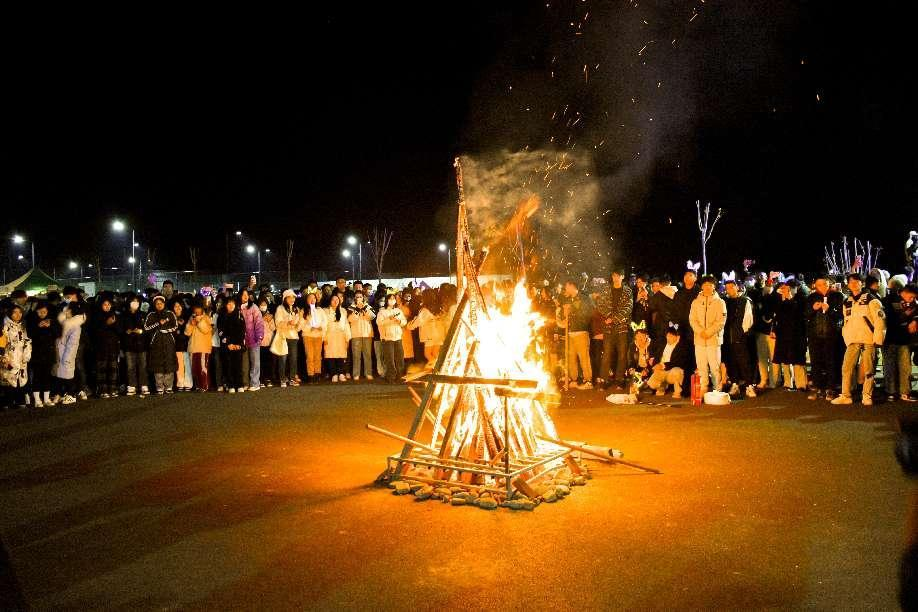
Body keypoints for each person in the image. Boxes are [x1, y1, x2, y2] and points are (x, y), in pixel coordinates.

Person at [832, 273, 887, 406]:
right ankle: (846, 395)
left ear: (862, 283)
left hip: (868, 340)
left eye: (856, 282)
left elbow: (880, 320)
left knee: (868, 370)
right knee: (846, 368)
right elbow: (846, 322)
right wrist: (847, 337)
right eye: (850, 282)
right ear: (848, 284)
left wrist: (878, 339)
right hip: (853, 340)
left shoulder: (871, 299)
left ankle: (866, 395)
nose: (853, 284)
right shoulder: (847, 301)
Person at [805, 275, 844, 400]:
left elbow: (841, 316)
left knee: (831, 361)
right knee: (816, 362)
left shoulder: (838, 296)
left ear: (829, 284)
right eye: (819, 284)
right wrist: (812, 309)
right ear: (815, 286)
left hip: (831, 334)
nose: (822, 287)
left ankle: (831, 388)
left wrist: (829, 310)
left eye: (824, 284)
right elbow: (805, 314)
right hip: (815, 335)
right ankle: (818, 387)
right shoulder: (811, 297)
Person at [689, 275, 727, 395]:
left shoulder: (720, 302)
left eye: (710, 285)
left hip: (713, 340)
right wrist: (700, 331)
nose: (707, 287)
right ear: (701, 286)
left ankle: (717, 388)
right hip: (699, 339)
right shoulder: (695, 302)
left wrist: (709, 332)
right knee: (701, 366)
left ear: (714, 286)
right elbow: (692, 319)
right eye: (705, 285)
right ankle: (703, 387)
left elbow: (721, 321)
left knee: (715, 366)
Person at [597, 269, 633, 390]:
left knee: (622, 354)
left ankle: (619, 379)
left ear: (622, 277)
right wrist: (608, 316)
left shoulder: (627, 290)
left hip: (622, 327)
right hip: (608, 327)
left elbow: (628, 307)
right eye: (614, 275)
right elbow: (600, 304)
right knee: (607, 353)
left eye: (618, 275)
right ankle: (604, 379)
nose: (615, 278)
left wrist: (614, 319)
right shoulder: (606, 289)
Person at [556, 280, 594, 390]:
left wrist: (571, 310)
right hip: (570, 332)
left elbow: (587, 313)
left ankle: (588, 381)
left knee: (584, 358)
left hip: (581, 332)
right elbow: (565, 316)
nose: (565, 289)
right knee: (571, 358)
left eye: (566, 286)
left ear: (572, 286)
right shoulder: (569, 299)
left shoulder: (584, 298)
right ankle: (574, 379)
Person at [771, 281, 809, 392]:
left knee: (798, 359)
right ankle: (788, 383)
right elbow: (777, 315)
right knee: (784, 358)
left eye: (788, 289)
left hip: (797, 334)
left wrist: (791, 300)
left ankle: (801, 384)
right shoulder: (781, 300)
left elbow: (798, 315)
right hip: (783, 333)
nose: (785, 291)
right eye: (784, 289)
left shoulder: (802, 299)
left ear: (795, 288)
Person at [723, 279, 757, 398]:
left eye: (732, 287)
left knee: (745, 362)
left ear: (737, 287)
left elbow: (748, 320)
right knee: (731, 362)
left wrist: (742, 333)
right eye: (727, 288)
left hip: (742, 337)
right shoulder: (725, 301)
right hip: (727, 338)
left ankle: (749, 386)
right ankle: (735, 384)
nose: (729, 290)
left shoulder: (745, 301)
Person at [885, 283, 918, 401]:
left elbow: (916, 314)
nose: (913, 299)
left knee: (905, 367)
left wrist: (915, 320)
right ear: (905, 292)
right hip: (890, 338)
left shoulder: (914, 304)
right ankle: (891, 392)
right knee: (890, 366)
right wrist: (905, 315)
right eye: (911, 297)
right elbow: (888, 319)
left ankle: (905, 392)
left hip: (905, 339)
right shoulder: (890, 300)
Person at [52, 301, 86, 406]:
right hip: (61, 353)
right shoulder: (66, 322)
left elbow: (73, 344)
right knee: (62, 374)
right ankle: (63, 393)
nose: (65, 311)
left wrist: (68, 356)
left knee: (68, 375)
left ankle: (71, 395)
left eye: (67, 309)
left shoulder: (75, 326)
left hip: (67, 354)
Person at [26, 302, 59, 407]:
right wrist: (37, 326)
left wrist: (50, 326)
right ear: (36, 312)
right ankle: (37, 399)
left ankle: (46, 398)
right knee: (37, 376)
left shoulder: (52, 321)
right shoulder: (31, 322)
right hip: (36, 353)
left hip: (49, 352)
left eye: (44, 311)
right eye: (40, 311)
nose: (42, 313)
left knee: (47, 376)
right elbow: (29, 335)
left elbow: (58, 334)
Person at [144, 295, 178, 395]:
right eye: (157, 303)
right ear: (154, 305)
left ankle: (169, 386)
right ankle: (159, 387)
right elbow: (146, 328)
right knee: (157, 365)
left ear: (164, 303)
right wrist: (158, 323)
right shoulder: (151, 315)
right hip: (156, 343)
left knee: (169, 365)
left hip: (168, 343)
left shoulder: (170, 313)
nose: (159, 305)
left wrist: (165, 330)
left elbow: (175, 326)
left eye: (161, 303)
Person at [647, 325, 692, 398]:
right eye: (667, 336)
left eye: (671, 336)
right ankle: (661, 387)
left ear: (677, 337)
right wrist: (655, 365)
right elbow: (657, 358)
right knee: (652, 382)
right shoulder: (662, 345)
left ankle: (678, 391)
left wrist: (664, 365)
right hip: (661, 371)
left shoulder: (682, 347)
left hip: (672, 371)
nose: (668, 338)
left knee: (677, 372)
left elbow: (680, 362)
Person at [1, 305, 32, 409]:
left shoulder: (22, 326)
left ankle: (19, 400)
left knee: (21, 378)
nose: (18, 315)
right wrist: (3, 357)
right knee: (8, 378)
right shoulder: (4, 326)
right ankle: (7, 401)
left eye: (20, 312)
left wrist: (27, 354)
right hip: (9, 357)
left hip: (21, 358)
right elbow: (2, 343)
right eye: (15, 312)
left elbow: (27, 340)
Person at [407, 288, 445, 369]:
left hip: (430, 336)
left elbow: (417, 322)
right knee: (435, 354)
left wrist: (409, 325)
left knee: (427, 354)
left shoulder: (425, 310)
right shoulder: (439, 309)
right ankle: (439, 368)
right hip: (440, 334)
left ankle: (437, 369)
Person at [92, 298, 122, 398]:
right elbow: (95, 332)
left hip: (113, 346)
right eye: (105, 304)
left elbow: (119, 331)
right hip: (101, 347)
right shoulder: (96, 316)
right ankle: (102, 390)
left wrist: (113, 324)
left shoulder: (115, 316)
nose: (107, 306)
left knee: (113, 368)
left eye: (109, 304)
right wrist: (106, 324)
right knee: (102, 369)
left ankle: (113, 389)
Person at [275, 289, 304, 387]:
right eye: (289, 297)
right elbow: (278, 322)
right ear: (285, 298)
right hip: (283, 336)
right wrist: (288, 323)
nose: (292, 299)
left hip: (293, 336)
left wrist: (297, 325)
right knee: (283, 358)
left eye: (293, 297)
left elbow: (300, 323)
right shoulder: (280, 308)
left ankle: (292, 378)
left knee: (293, 358)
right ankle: (282, 379)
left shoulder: (296, 309)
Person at [122, 295, 149, 396]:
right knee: (130, 367)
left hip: (141, 344)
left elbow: (147, 328)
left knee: (143, 366)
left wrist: (141, 331)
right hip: (129, 345)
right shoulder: (124, 315)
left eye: (137, 301)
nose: (135, 303)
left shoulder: (143, 315)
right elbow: (121, 328)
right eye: (133, 301)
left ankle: (144, 384)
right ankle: (132, 385)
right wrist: (126, 332)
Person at [377, 292, 407, 383]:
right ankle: (391, 377)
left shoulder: (398, 311)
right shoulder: (382, 311)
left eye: (394, 299)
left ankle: (400, 376)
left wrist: (399, 321)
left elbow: (404, 322)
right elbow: (379, 322)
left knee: (400, 358)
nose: (392, 300)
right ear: (386, 300)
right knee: (389, 359)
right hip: (387, 338)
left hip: (397, 337)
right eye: (390, 299)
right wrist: (389, 319)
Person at [218, 297, 246, 393]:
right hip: (227, 345)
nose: (231, 306)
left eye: (233, 304)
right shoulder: (222, 316)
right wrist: (229, 343)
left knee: (238, 365)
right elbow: (221, 332)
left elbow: (242, 331)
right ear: (225, 305)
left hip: (238, 345)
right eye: (229, 304)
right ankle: (231, 385)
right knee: (228, 365)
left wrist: (238, 344)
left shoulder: (239, 315)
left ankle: (239, 384)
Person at [239, 288, 265, 391]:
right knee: (244, 363)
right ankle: (245, 382)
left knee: (255, 362)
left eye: (247, 295)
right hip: (242, 339)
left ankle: (255, 383)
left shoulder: (254, 307)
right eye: (243, 294)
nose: (245, 297)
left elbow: (259, 323)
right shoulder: (238, 308)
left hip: (253, 338)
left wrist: (259, 336)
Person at [185, 300, 212, 392]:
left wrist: (199, 322)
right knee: (195, 369)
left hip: (203, 348)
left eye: (198, 310)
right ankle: (198, 385)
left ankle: (204, 385)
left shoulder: (206, 318)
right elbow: (187, 333)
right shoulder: (191, 318)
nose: (196, 312)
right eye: (195, 310)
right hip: (193, 347)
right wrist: (191, 324)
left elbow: (206, 330)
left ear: (201, 309)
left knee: (202, 368)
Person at [347, 292, 375, 380]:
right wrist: (357, 310)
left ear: (363, 297)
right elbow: (350, 319)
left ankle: (368, 373)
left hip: (367, 334)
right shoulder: (351, 307)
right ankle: (356, 374)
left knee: (367, 355)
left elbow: (372, 316)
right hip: (355, 334)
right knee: (356, 355)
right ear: (354, 298)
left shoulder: (368, 306)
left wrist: (364, 308)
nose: (359, 298)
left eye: (360, 296)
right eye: (357, 297)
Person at [324, 294, 351, 382]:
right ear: (330, 301)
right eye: (333, 300)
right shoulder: (325, 311)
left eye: (337, 300)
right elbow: (324, 325)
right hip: (330, 335)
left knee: (341, 355)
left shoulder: (343, 311)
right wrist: (324, 337)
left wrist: (347, 337)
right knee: (330, 355)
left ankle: (341, 373)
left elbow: (346, 324)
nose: (335, 301)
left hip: (341, 335)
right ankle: (334, 373)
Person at [301, 290, 326, 384]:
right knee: (310, 356)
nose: (312, 300)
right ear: (306, 300)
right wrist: (308, 328)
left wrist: (321, 327)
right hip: (308, 335)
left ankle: (317, 373)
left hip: (318, 335)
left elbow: (324, 321)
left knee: (318, 356)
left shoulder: (320, 310)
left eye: (314, 298)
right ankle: (310, 374)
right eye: (310, 298)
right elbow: (301, 323)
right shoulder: (304, 311)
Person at [170, 300, 192, 392]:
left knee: (187, 364)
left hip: (186, 344)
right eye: (175, 306)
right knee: (179, 365)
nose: (178, 308)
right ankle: (180, 382)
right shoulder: (171, 318)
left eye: (179, 306)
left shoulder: (186, 317)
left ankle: (188, 383)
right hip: (176, 345)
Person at [259, 298, 277, 387]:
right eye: (261, 305)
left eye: (264, 304)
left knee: (269, 361)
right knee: (261, 361)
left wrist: (270, 321)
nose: (263, 306)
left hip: (269, 342)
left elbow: (274, 328)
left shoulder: (270, 316)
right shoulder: (256, 316)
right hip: (260, 342)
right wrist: (262, 319)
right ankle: (261, 378)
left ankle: (268, 378)